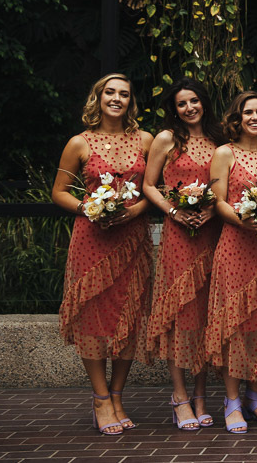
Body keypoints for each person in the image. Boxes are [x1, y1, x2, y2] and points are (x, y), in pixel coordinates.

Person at [52, 73, 154, 435]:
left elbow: (154, 189)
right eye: (109, 92)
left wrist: (138, 209)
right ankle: (100, 400)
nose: (116, 98)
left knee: (128, 318)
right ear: (98, 98)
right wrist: (88, 208)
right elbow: (59, 192)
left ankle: (117, 395)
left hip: (131, 240)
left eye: (123, 94)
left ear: (130, 102)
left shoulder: (145, 140)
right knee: (93, 320)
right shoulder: (79, 143)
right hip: (92, 240)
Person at [142, 78, 225, 430]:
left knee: (205, 315)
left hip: (212, 234)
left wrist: (212, 210)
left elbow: (225, 186)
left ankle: (202, 396)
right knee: (181, 316)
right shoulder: (166, 139)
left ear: (204, 103)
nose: (189, 108)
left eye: (194, 101)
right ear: (173, 109)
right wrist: (174, 212)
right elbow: (149, 184)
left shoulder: (219, 140)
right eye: (181, 103)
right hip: (179, 237)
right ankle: (179, 396)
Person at [205, 91, 257, 434]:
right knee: (235, 324)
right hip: (237, 246)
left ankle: (255, 397)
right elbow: (218, 202)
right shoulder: (224, 153)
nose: (254, 117)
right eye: (247, 112)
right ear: (236, 118)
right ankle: (232, 401)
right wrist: (242, 219)